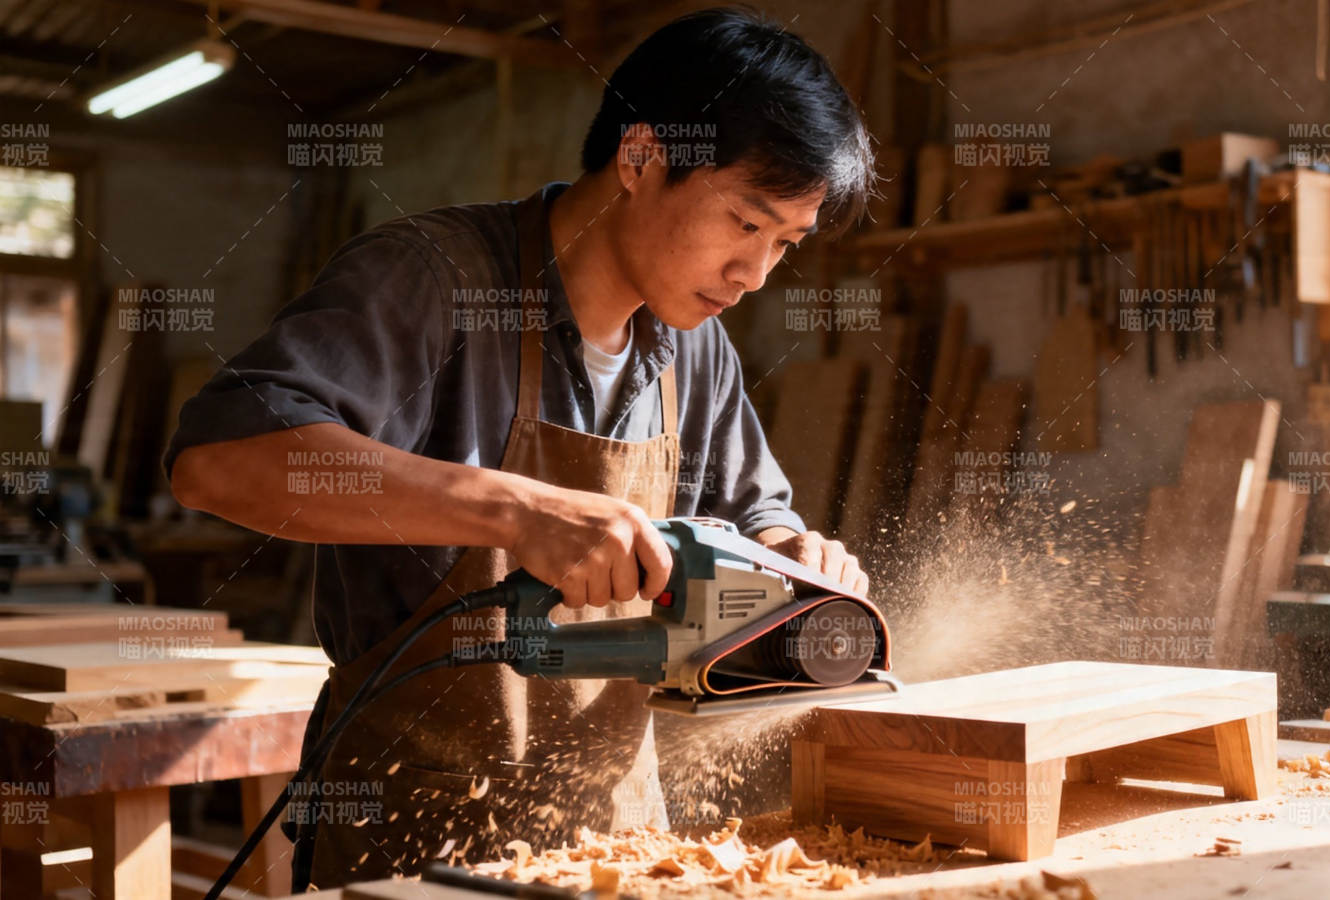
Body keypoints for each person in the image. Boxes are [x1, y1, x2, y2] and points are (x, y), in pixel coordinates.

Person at [165, 7, 875, 889]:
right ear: (643, 157)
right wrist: (514, 507)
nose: (755, 274)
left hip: (612, 841)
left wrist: (791, 556)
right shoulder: (432, 280)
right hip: (409, 831)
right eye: (744, 222)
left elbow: (750, 511)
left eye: (785, 246)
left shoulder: (695, 344)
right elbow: (219, 459)